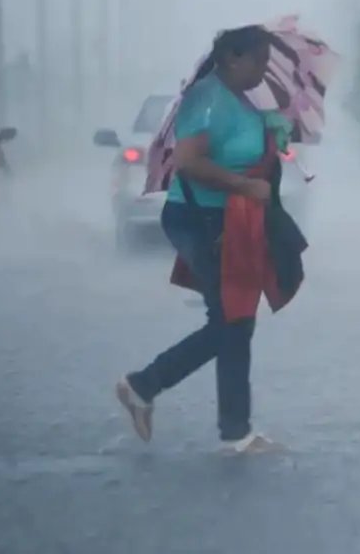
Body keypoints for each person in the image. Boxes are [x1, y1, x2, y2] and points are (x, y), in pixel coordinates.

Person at [116, 25, 282, 455]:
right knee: (231, 320)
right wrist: (244, 186)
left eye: (267, 62)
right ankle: (148, 388)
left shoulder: (241, 101)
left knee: (234, 320)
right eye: (258, 60)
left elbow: (241, 152)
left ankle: (228, 427)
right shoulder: (205, 98)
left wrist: (274, 136)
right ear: (231, 57)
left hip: (228, 220)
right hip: (198, 220)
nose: (264, 70)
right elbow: (189, 162)